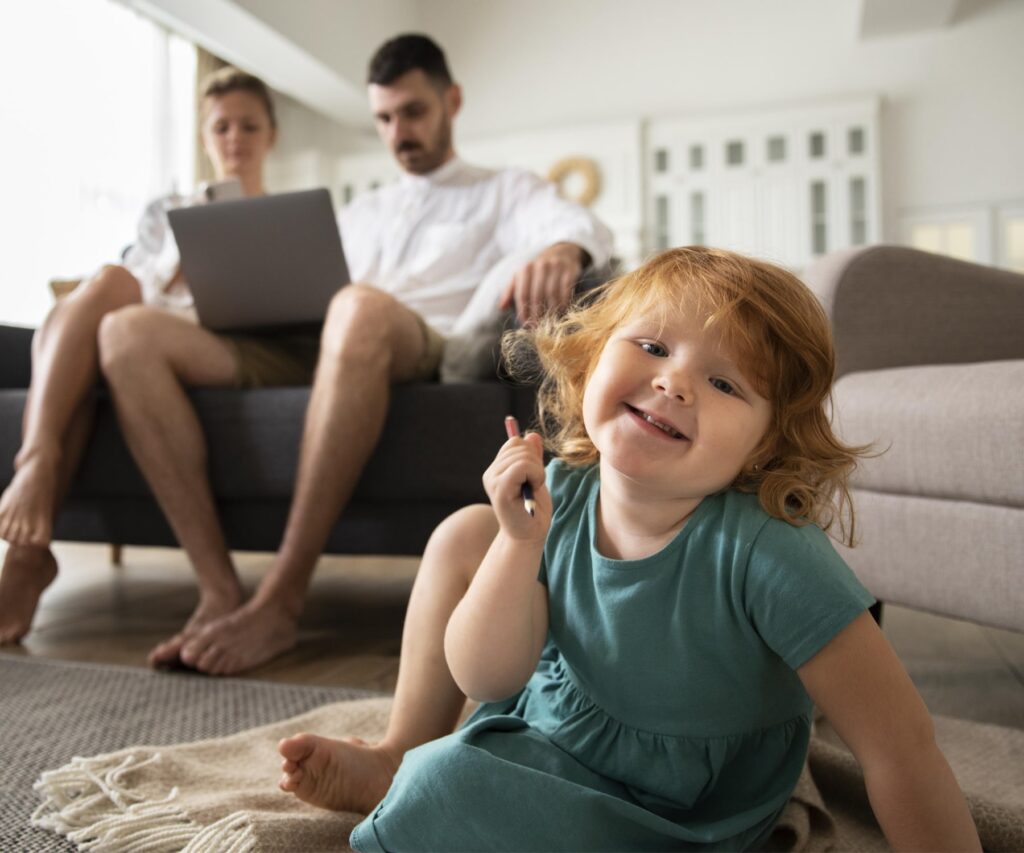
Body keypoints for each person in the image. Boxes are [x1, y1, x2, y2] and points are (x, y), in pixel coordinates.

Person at [276, 247, 981, 852]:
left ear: (765, 444)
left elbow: (901, 748)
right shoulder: (565, 488)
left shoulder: (771, 554)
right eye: (651, 346)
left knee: (444, 785)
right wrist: (519, 547)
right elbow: (487, 675)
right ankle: (399, 748)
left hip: (679, 803)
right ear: (589, 359)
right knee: (468, 534)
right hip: (561, 713)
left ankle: (414, 772)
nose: (674, 381)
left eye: (725, 383)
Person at [95, 33, 613, 675]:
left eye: (414, 112)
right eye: (385, 118)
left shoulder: (504, 189)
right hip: (320, 339)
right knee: (126, 333)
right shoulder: (362, 211)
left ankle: (281, 600)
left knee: (359, 307)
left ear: (451, 101)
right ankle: (218, 588)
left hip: (415, 341)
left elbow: (580, 225)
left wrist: (563, 250)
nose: (399, 132)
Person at [0, 67, 279, 645]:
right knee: (103, 289)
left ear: (270, 135)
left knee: (98, 316)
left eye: (248, 126)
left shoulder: (283, 220)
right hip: (134, 322)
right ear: (205, 137)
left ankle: (27, 545)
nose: (235, 139)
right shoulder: (165, 211)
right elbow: (135, 275)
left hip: (209, 338)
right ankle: (38, 465)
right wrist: (185, 249)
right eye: (221, 127)